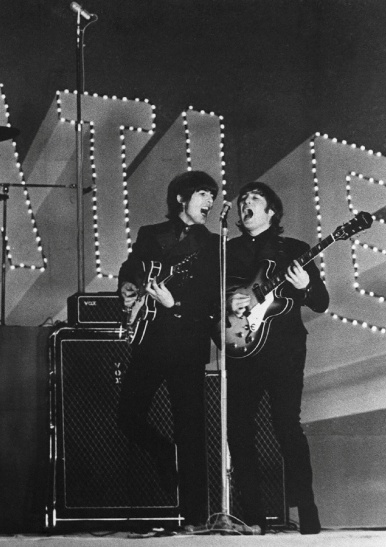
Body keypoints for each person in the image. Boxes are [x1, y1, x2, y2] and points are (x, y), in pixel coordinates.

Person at [117, 170, 219, 529]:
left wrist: (175, 304)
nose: (209, 202)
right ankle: (163, 451)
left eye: (212, 196)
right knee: (127, 413)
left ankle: (196, 516)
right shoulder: (151, 234)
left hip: (188, 343)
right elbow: (130, 269)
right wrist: (128, 289)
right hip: (151, 339)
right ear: (181, 198)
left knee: (190, 430)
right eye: (203, 194)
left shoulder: (212, 244)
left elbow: (211, 299)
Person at [225, 182, 328, 534]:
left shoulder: (295, 250)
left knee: (287, 426)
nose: (245, 205)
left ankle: (308, 513)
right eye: (242, 201)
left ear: (271, 211)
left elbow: (321, 302)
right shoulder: (228, 251)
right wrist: (229, 302)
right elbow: (213, 299)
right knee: (238, 429)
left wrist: (304, 287)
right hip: (243, 347)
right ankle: (253, 517)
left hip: (284, 350)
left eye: (254, 199)